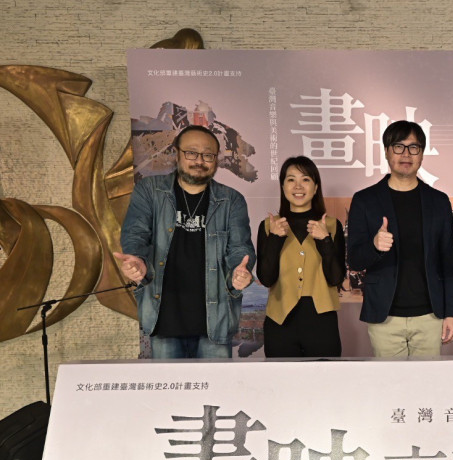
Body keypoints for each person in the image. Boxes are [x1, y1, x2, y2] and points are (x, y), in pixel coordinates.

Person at [115, 124, 254, 359]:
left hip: (215, 319)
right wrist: (138, 260)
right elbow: (136, 233)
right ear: (176, 153)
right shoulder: (150, 191)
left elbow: (240, 248)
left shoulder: (232, 200)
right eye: (191, 153)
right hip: (164, 317)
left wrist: (239, 273)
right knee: (169, 384)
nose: (199, 160)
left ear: (216, 160)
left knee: (216, 384)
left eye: (208, 155)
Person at [346, 121, 453, 357]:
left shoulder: (438, 201)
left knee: (428, 380)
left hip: (430, 316)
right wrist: (374, 246)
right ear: (387, 151)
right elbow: (354, 260)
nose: (406, 154)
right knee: (389, 380)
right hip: (385, 316)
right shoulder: (365, 200)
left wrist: (451, 312)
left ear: (422, 154)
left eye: (413, 147)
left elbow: (448, 262)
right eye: (398, 146)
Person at [256, 156, 346, 357]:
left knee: (324, 376)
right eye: (291, 179)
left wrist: (325, 240)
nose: (298, 186)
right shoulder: (269, 226)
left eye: (305, 179)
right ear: (283, 186)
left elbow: (336, 278)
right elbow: (266, 278)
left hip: (322, 322)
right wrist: (275, 239)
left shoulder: (332, 226)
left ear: (315, 187)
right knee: (281, 377)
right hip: (280, 322)